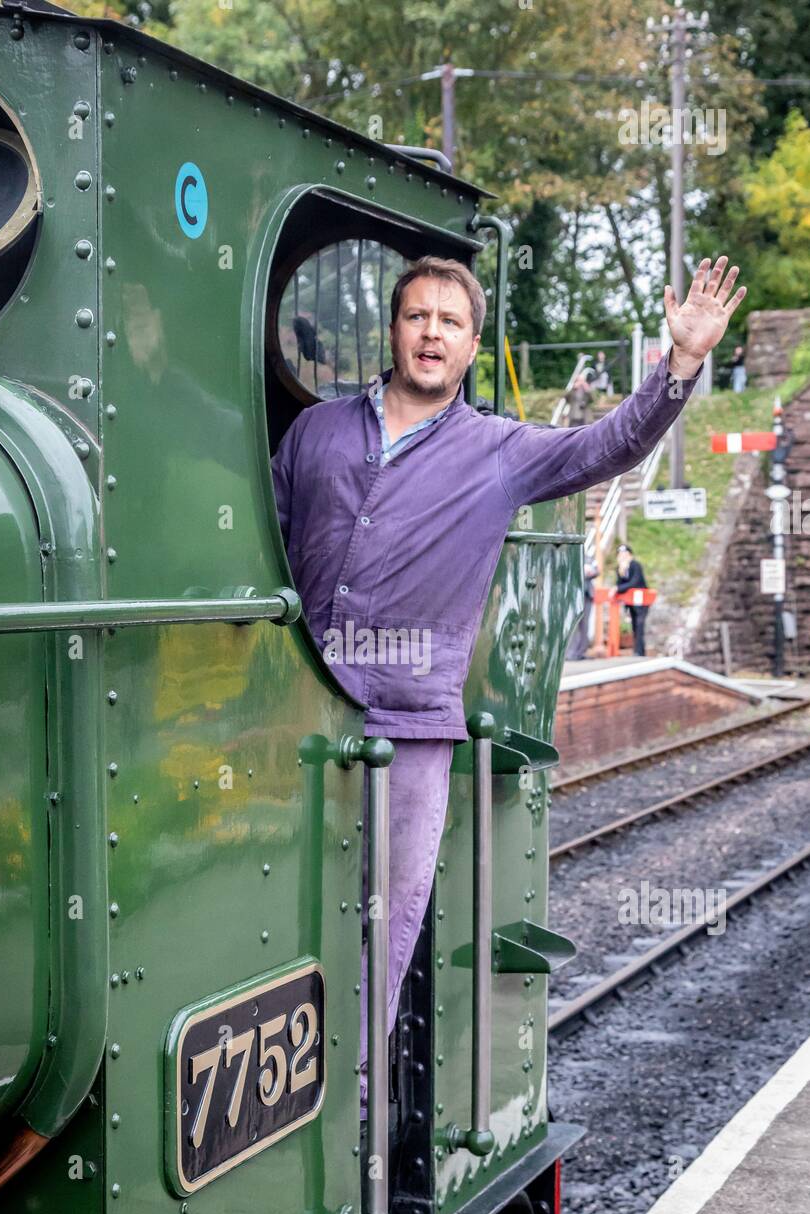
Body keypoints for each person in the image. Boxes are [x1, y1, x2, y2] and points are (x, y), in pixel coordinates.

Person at [270, 253, 746, 1118]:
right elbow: (265, 538)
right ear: (394, 329)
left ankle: (342, 1121)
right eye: (418, 316)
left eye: (450, 323)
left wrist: (679, 366)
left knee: (385, 927)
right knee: (274, 914)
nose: (431, 334)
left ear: (472, 345)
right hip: (290, 713)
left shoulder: (499, 452)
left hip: (409, 729)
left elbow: (609, 445)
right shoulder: (317, 433)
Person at [613, 543, 649, 656]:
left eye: (625, 553)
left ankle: (639, 651)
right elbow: (620, 583)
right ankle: (638, 650)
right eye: (620, 554)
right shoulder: (620, 568)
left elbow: (635, 582)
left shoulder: (635, 565)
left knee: (639, 624)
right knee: (634, 624)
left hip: (641, 600)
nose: (622, 556)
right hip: (631, 601)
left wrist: (618, 588)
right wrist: (621, 573)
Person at [566, 559, 600, 660]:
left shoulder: (590, 558)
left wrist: (590, 572)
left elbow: (597, 571)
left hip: (587, 595)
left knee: (585, 625)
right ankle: (571, 653)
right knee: (574, 624)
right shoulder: (572, 554)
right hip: (575, 594)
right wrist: (583, 572)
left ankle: (581, 651)